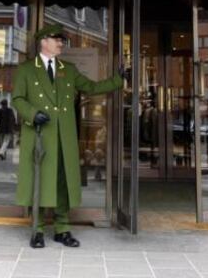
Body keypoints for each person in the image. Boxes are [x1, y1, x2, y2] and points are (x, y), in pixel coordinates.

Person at [11, 23, 127, 249]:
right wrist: (33, 114)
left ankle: (62, 229)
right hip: (40, 136)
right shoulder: (26, 69)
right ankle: (38, 230)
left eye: (62, 40)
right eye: (56, 39)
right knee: (40, 182)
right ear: (43, 41)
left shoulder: (69, 69)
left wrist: (117, 80)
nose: (61, 43)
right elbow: (17, 99)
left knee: (62, 183)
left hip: (64, 137)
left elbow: (92, 87)